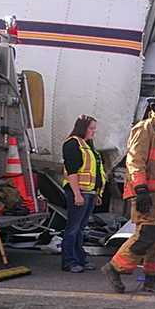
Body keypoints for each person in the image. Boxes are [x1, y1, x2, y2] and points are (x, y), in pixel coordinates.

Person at [101, 84, 155, 294]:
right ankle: (114, 268)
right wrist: (141, 189)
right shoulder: (145, 128)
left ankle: (152, 279)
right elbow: (135, 161)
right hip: (150, 194)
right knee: (146, 236)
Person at [60, 114, 106, 273]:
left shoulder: (88, 146)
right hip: (80, 192)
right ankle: (69, 261)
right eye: (91, 128)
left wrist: (97, 193)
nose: (94, 131)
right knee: (73, 228)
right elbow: (72, 171)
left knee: (80, 228)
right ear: (83, 128)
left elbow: (96, 171)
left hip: (89, 193)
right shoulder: (73, 144)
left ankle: (80, 258)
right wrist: (77, 194)